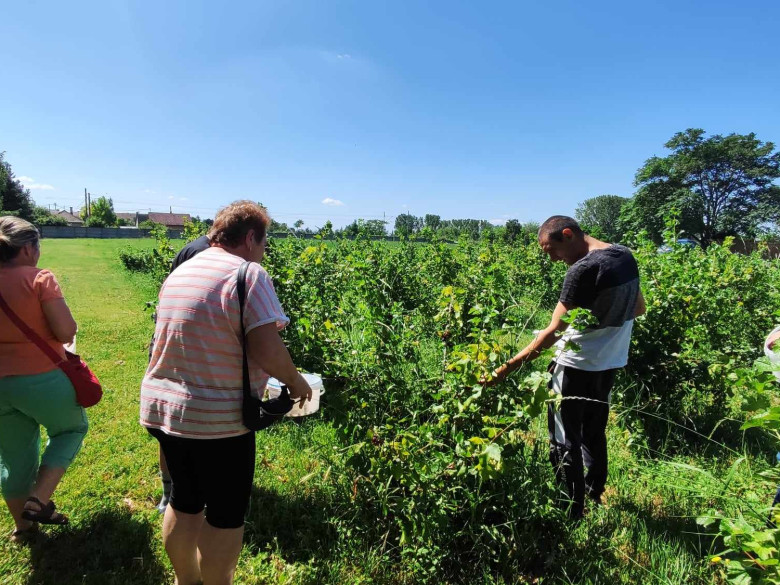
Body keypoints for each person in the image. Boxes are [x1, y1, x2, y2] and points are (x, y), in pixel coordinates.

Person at [140, 201, 312, 585]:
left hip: (163, 410)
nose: (264, 251)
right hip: (216, 422)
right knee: (225, 514)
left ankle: (188, 580)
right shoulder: (248, 273)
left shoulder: (182, 271)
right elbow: (267, 348)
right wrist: (297, 383)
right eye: (264, 242)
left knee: (185, 502)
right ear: (251, 238)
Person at [485, 216, 645, 519]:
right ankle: (593, 494)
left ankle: (569, 510)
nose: (553, 258)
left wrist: (504, 370)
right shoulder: (625, 257)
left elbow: (552, 332)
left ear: (568, 235)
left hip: (574, 366)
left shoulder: (581, 270)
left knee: (563, 438)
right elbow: (639, 308)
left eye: (552, 250)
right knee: (594, 432)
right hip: (610, 362)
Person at [0, 216, 88, 541]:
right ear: (27, 248)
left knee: (13, 456)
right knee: (72, 428)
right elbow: (66, 330)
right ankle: (39, 500)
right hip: (42, 378)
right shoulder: (40, 278)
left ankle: (23, 529)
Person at [153, 233, 210, 514]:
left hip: (177, 347)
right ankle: (172, 491)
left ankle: (179, 489)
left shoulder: (195, 249)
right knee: (175, 428)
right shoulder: (203, 255)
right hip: (184, 352)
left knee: (174, 427)